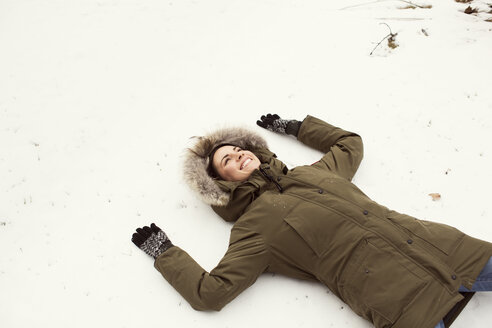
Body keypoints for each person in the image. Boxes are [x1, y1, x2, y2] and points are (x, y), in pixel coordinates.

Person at [131, 114, 492, 328]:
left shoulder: (311, 174)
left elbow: (350, 144)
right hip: (404, 300)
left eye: (240, 149)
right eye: (228, 160)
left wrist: (296, 126)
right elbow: (211, 293)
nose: (239, 155)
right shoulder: (253, 229)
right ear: (221, 182)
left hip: (449, 251)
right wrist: (166, 253)